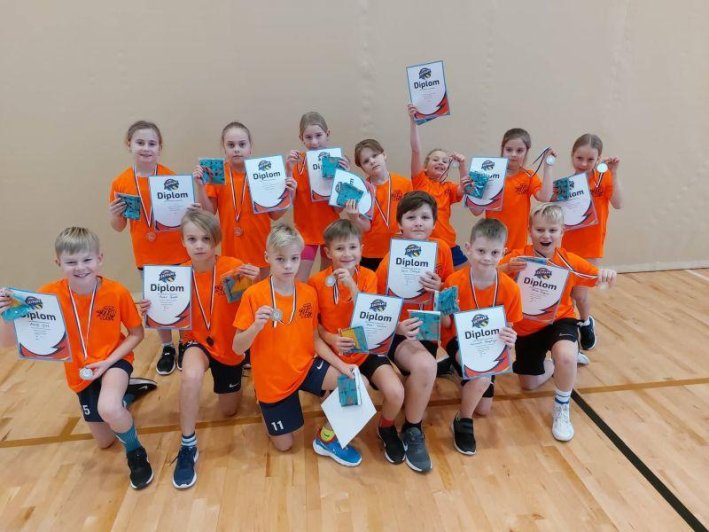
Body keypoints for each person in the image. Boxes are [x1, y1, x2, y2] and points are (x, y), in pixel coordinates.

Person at [0, 227, 155, 489]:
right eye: (71, 262)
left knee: (109, 409)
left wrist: (108, 362)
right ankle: (126, 396)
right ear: (58, 263)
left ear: (99, 259)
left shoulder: (116, 292)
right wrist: (6, 316)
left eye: (87, 259)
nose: (80, 267)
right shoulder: (46, 296)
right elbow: (7, 343)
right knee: (105, 441)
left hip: (113, 361)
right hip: (80, 371)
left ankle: (136, 452)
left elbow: (136, 334)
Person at [138, 210, 259, 489]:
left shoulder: (234, 268)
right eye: (192, 239)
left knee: (228, 410)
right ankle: (188, 445)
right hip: (197, 342)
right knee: (190, 376)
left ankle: (239, 375)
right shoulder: (174, 276)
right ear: (182, 241)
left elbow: (250, 311)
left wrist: (254, 284)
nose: (199, 245)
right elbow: (163, 314)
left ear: (216, 240)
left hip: (230, 346)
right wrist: (151, 308)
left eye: (206, 238)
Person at [232, 224, 362, 466]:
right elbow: (237, 348)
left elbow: (314, 339)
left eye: (294, 258)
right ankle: (265, 401)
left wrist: (341, 365)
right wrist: (255, 327)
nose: (288, 266)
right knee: (285, 445)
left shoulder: (308, 293)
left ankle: (328, 438)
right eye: (280, 259)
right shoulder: (253, 295)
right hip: (273, 380)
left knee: (355, 381)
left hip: (305, 367)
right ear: (267, 257)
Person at [500, 203, 616, 441]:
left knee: (565, 356)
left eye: (552, 230)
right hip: (527, 328)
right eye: (540, 229)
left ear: (562, 231)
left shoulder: (570, 261)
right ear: (530, 230)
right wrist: (505, 267)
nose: (546, 235)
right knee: (528, 383)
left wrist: (607, 274)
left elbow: (597, 276)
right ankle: (557, 365)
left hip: (560, 321)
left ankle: (562, 405)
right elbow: (485, 275)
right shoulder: (517, 258)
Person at [109, 120, 209, 375]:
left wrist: (191, 211)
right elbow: (118, 227)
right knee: (157, 304)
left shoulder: (170, 178)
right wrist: (114, 214)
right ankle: (167, 346)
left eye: (152, 143)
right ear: (129, 145)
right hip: (146, 256)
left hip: (176, 253)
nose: (146, 148)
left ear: (160, 148)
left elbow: (186, 220)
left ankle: (186, 342)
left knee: (182, 299)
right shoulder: (120, 183)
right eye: (140, 142)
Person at [308, 219, 406, 464]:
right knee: (354, 394)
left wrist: (351, 285)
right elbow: (314, 326)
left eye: (352, 247)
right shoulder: (316, 282)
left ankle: (385, 428)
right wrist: (331, 338)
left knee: (396, 393)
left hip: (365, 349)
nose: (347, 254)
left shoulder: (369, 277)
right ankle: (327, 437)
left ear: (361, 249)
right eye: (339, 248)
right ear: (328, 252)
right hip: (335, 354)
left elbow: (370, 312)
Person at [375, 191, 453, 472]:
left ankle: (410, 422)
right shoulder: (389, 261)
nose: (418, 222)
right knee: (426, 366)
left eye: (425, 217)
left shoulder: (442, 250)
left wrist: (440, 288)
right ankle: (412, 427)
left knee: (423, 370)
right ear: (400, 224)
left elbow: (449, 296)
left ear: (434, 222)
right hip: (397, 330)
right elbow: (376, 309)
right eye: (411, 217)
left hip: (428, 328)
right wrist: (396, 327)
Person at [440, 219, 522, 455]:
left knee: (484, 408)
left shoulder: (511, 289)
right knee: (483, 377)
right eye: (481, 251)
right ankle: (462, 420)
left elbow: (509, 329)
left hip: (489, 344)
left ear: (503, 253)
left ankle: (458, 371)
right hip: (456, 339)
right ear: (468, 249)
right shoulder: (454, 282)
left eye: (494, 253)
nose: (487, 258)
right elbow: (446, 325)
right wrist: (445, 312)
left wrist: (510, 338)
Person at [196, 121, 297, 280]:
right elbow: (208, 213)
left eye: (242, 144)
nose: (236, 149)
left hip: (259, 248)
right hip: (231, 251)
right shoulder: (217, 174)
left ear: (250, 148)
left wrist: (289, 194)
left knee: (259, 292)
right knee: (235, 294)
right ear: (224, 148)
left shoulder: (263, 173)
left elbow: (275, 215)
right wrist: (200, 187)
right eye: (231, 145)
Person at [561, 134, 623, 351]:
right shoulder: (566, 185)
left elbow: (618, 203)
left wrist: (614, 173)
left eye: (590, 159)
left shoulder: (603, 179)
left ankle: (586, 322)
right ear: (572, 156)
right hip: (567, 246)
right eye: (579, 158)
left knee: (579, 294)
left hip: (591, 247)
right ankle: (567, 332)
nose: (584, 163)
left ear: (598, 159)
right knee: (566, 294)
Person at [286, 111, 349, 281]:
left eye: (318, 135)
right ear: (301, 138)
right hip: (305, 233)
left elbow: (338, 209)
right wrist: (288, 170)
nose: (314, 142)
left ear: (327, 134)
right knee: (299, 281)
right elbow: (289, 203)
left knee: (326, 281)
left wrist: (343, 177)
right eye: (308, 137)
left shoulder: (337, 162)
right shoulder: (296, 163)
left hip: (331, 231)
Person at [469, 128, 555, 250]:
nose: (514, 154)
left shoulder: (528, 176)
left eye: (519, 150)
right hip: (493, 243)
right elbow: (476, 211)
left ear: (526, 152)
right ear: (502, 150)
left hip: (518, 244)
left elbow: (545, 197)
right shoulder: (488, 174)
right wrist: (473, 190)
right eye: (509, 149)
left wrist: (548, 166)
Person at [408, 104, 470, 268]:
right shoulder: (420, 181)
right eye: (435, 159)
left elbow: (465, 188)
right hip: (424, 242)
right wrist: (413, 122)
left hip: (448, 243)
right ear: (425, 166)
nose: (441, 162)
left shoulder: (448, 187)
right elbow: (416, 150)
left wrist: (462, 165)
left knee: (464, 275)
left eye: (445, 161)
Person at [352, 139, 412, 271]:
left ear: (384, 155)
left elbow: (412, 215)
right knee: (371, 284)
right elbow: (366, 227)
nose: (372, 161)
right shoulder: (361, 191)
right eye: (366, 161)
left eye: (375, 155)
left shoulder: (405, 184)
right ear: (362, 168)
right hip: (371, 253)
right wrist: (354, 217)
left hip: (400, 249)